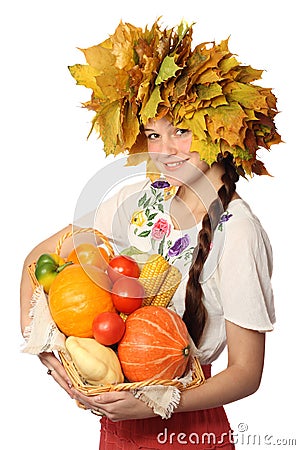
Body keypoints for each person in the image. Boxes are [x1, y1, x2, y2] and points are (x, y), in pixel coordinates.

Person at [20, 19, 281, 450]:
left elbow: (247, 374)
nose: (163, 150)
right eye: (153, 134)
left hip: (187, 430)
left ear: (220, 129)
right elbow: (35, 261)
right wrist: (47, 353)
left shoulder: (238, 233)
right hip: (116, 428)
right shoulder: (139, 199)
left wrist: (155, 405)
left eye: (181, 131)